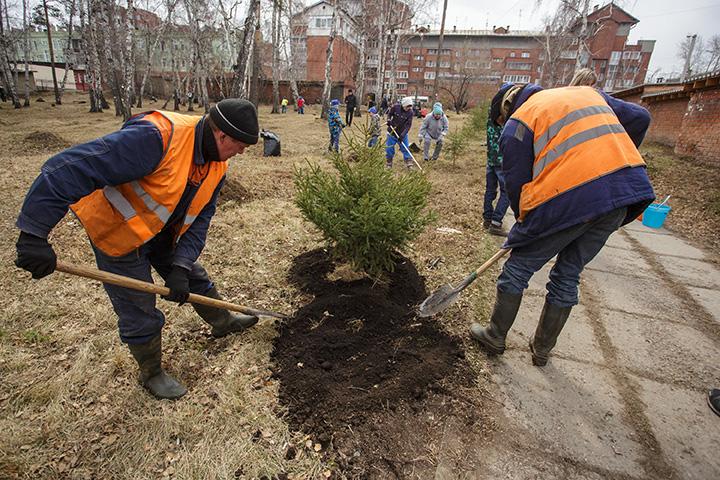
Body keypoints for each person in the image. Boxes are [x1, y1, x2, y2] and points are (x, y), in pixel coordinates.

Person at [15, 98, 261, 400]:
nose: (242, 152)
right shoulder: (155, 137)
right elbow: (68, 169)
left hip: (161, 232)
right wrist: (34, 234)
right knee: (138, 305)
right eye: (240, 145)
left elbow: (199, 222)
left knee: (194, 276)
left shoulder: (217, 166)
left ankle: (223, 321)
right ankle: (152, 372)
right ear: (222, 135)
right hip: (118, 230)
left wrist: (181, 267)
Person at [470, 83, 655, 366]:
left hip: (572, 197)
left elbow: (518, 188)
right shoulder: (585, 93)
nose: (502, 125)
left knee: (518, 267)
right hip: (621, 193)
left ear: (506, 109)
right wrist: (610, 161)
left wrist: (525, 230)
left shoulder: (518, 123)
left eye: (500, 120)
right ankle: (542, 350)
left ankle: (495, 335)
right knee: (568, 273)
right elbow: (640, 117)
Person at [483, 96, 511, 237]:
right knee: (507, 192)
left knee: (490, 190)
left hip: (491, 159)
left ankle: (487, 219)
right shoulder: (507, 118)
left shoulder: (490, 115)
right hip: (502, 161)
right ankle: (496, 222)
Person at [385, 96, 415, 169]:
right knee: (389, 148)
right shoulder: (395, 107)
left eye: (410, 107)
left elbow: (408, 125)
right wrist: (388, 120)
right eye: (407, 106)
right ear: (404, 105)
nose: (409, 108)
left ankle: (409, 162)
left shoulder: (410, 113)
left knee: (405, 148)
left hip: (402, 133)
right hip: (392, 131)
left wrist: (402, 135)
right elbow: (389, 114)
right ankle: (389, 162)